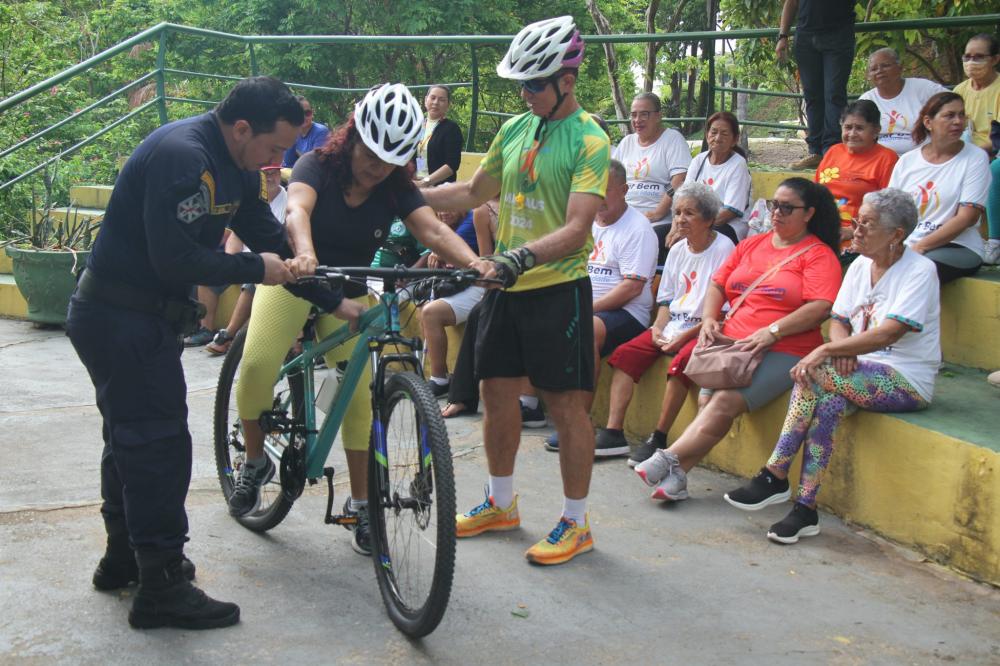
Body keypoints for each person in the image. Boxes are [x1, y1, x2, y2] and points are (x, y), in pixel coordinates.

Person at [66, 76, 304, 630]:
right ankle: (162, 586)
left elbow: (264, 232)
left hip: (139, 320)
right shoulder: (183, 156)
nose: (277, 161)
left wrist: (324, 286)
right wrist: (255, 270)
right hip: (119, 319)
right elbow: (174, 259)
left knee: (129, 438)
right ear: (242, 128)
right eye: (273, 148)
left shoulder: (237, 165)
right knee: (157, 446)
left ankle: (126, 559)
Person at [231, 84, 493, 557]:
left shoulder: (394, 185)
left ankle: (362, 504)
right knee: (257, 365)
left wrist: (475, 264)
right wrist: (306, 254)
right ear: (353, 137)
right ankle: (253, 462)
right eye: (371, 156)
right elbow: (297, 209)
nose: (377, 170)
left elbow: (432, 228)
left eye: (390, 161)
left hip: (348, 289)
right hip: (297, 278)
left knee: (357, 400)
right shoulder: (317, 165)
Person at [422, 15, 611, 565]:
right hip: (504, 286)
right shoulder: (514, 128)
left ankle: (576, 523)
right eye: (521, 84)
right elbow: (472, 191)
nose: (525, 94)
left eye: (534, 84)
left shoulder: (591, 139)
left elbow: (578, 228)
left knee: (567, 408)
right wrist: (405, 193)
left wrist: (519, 257)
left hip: (557, 290)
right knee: (495, 394)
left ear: (566, 81)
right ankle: (500, 504)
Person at [724, 188, 939, 544]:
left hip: (905, 378)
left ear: (897, 234)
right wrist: (839, 346)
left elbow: (888, 333)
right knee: (828, 404)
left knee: (813, 373)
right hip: (856, 369)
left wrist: (826, 353)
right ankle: (805, 508)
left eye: (867, 225)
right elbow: (839, 319)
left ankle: (775, 472)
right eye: (857, 222)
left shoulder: (920, 270)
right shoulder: (859, 266)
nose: (856, 230)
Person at [634, 178, 842, 502]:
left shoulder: (818, 255)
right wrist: (709, 319)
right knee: (708, 401)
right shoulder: (753, 244)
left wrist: (774, 331)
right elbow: (718, 284)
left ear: (809, 213)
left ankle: (667, 457)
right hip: (731, 343)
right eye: (775, 205)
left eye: (787, 207)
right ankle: (678, 477)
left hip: (785, 348)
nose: (777, 213)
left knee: (724, 401)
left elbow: (820, 307)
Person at [599, 183, 735, 466]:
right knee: (625, 356)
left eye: (689, 213)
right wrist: (657, 329)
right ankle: (613, 432)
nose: (680, 220)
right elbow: (666, 301)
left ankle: (658, 437)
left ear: (709, 219)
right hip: (673, 325)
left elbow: (723, 312)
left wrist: (684, 337)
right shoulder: (676, 250)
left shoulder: (724, 248)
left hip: (704, 330)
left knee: (679, 366)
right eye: (677, 213)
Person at [543, 159, 658, 456]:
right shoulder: (586, 222)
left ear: (624, 190)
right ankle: (529, 405)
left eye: (605, 189)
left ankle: (579, 423)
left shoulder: (638, 229)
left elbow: (632, 288)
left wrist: (586, 307)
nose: (599, 197)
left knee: (585, 328)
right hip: (588, 304)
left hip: (628, 313)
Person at [888, 92, 991, 283]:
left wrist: (919, 247)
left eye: (961, 115)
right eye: (949, 115)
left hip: (958, 247)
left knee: (915, 271)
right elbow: (891, 212)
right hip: (910, 244)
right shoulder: (907, 162)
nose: (958, 121)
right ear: (928, 122)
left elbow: (967, 218)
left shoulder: (976, 158)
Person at [206, 164, 288, 355]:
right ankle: (205, 328)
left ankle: (228, 334)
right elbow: (235, 235)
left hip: (271, 258)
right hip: (249, 255)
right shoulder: (250, 194)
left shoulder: (288, 199)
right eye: (265, 173)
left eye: (274, 173)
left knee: (256, 274)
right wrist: (230, 260)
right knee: (210, 270)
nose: (269, 177)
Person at [776, 0, 857, 170]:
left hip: (838, 34)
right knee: (812, 96)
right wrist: (783, 36)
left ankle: (833, 151)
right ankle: (816, 152)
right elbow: (791, 3)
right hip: (806, 35)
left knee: (834, 94)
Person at [814, 100, 898, 256]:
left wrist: (852, 230)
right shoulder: (833, 151)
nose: (852, 134)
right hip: (821, 227)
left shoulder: (887, 159)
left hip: (859, 234)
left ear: (876, 131)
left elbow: (888, 209)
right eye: (847, 127)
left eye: (859, 128)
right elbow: (814, 194)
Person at [613, 92, 691, 261]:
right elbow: (612, 177)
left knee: (642, 239)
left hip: (657, 219)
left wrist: (658, 212)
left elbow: (680, 179)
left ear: (658, 116)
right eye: (634, 115)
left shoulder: (672, 139)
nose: (637, 120)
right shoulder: (627, 142)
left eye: (644, 114)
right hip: (624, 213)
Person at [421, 207, 487, 397]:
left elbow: (444, 248)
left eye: (451, 206)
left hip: (478, 284)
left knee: (431, 313)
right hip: (461, 285)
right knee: (424, 309)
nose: (445, 211)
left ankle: (439, 379)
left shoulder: (472, 218)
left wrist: (437, 253)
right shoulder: (450, 224)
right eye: (440, 209)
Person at [952, 34, 1000, 265]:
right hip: (965, 151)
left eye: (979, 57)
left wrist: (976, 155)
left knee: (989, 170)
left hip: (992, 151)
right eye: (967, 56)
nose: (971, 62)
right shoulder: (960, 90)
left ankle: (993, 241)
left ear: (995, 59)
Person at [858, 48, 947, 156]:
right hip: (880, 161)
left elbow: (953, 105)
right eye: (873, 69)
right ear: (868, 75)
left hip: (925, 157)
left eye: (885, 65)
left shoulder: (924, 89)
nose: (879, 71)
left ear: (900, 68)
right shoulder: (866, 99)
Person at [683, 111, 751, 243]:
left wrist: (695, 226)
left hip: (728, 226)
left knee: (698, 239)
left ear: (735, 139)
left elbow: (729, 213)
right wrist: (678, 225)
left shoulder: (738, 164)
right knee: (660, 235)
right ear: (707, 135)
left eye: (724, 134)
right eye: (713, 132)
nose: (718, 138)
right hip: (695, 222)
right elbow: (684, 199)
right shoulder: (698, 160)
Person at [414, 85, 464, 187]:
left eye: (442, 100)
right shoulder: (417, 126)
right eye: (433, 98)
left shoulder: (451, 129)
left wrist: (425, 182)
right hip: (416, 183)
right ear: (425, 100)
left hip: (439, 188)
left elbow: (451, 165)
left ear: (448, 104)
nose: (436, 102)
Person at [282, 95, 330, 167]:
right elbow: (288, 162)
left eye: (307, 113)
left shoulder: (321, 132)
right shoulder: (291, 132)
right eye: (299, 113)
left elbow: (314, 164)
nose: (304, 117)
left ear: (312, 113)